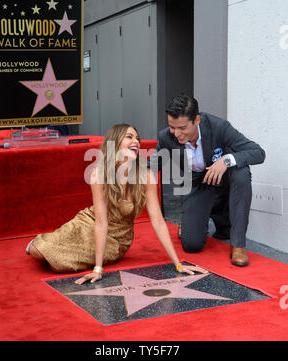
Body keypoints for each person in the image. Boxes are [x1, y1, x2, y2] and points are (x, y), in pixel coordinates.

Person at [26, 123, 208, 284]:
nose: (135, 141)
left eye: (137, 137)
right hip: (89, 222)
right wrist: (98, 268)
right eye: (129, 137)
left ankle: (51, 245)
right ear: (114, 142)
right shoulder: (100, 174)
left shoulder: (146, 176)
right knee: (37, 251)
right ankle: (42, 242)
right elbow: (100, 221)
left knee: (58, 263)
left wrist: (178, 264)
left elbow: (158, 222)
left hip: (118, 240)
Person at [149, 94, 266, 267]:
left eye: (182, 127)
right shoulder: (166, 137)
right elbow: (152, 166)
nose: (177, 133)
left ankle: (238, 246)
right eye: (172, 127)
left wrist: (226, 160)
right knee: (191, 245)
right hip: (198, 184)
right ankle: (191, 214)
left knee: (241, 171)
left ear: (196, 120)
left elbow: (258, 152)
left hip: (223, 180)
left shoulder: (218, 127)